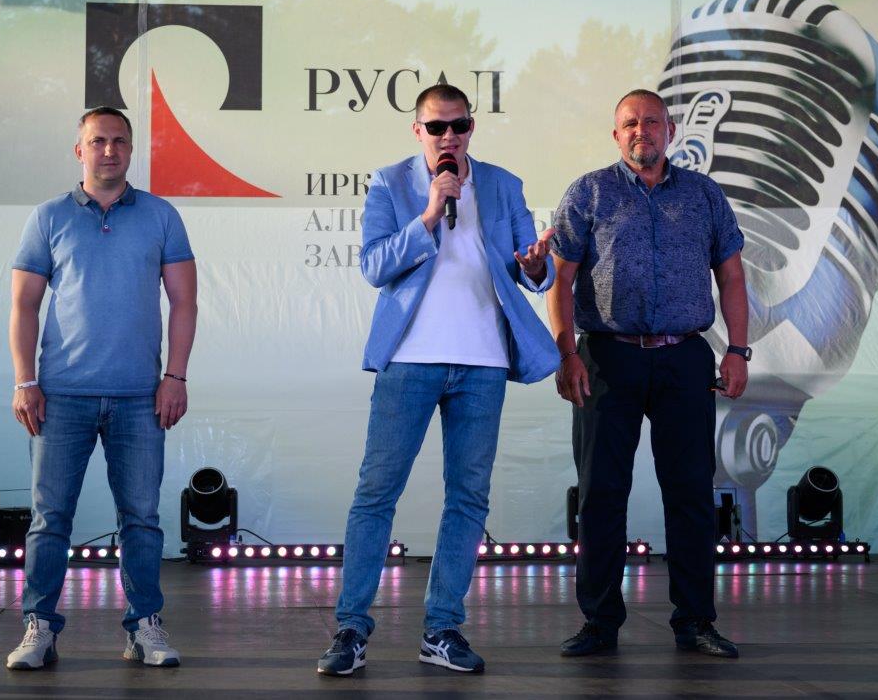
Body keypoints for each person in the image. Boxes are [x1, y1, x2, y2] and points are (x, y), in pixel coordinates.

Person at [316, 84, 560, 677]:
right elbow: (375, 265)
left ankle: (443, 628)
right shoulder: (389, 183)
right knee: (377, 493)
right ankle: (351, 628)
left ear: (472, 127)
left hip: (483, 362)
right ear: (417, 131)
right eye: (436, 127)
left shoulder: (503, 184)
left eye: (459, 125)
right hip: (410, 359)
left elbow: (534, 269)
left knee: (469, 498)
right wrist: (429, 215)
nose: (449, 137)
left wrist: (536, 266)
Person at [546, 88, 749, 659]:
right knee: (601, 493)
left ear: (670, 130)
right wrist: (566, 354)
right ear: (617, 135)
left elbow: (732, 277)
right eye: (631, 123)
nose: (642, 131)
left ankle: (696, 621)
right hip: (606, 358)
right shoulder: (589, 192)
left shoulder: (704, 194)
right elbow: (560, 279)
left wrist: (738, 350)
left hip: (686, 358)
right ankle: (599, 622)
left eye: (652, 122)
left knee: (691, 493)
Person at [5, 106, 198, 670]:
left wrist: (175, 376)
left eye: (119, 141)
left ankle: (144, 626)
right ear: (79, 150)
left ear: (131, 150)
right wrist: (25, 380)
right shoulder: (48, 218)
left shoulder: (161, 216)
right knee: (50, 519)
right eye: (97, 141)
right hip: (60, 395)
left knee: (141, 518)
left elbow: (184, 301)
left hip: (140, 396)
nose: (109, 150)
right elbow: (23, 305)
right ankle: (39, 627)